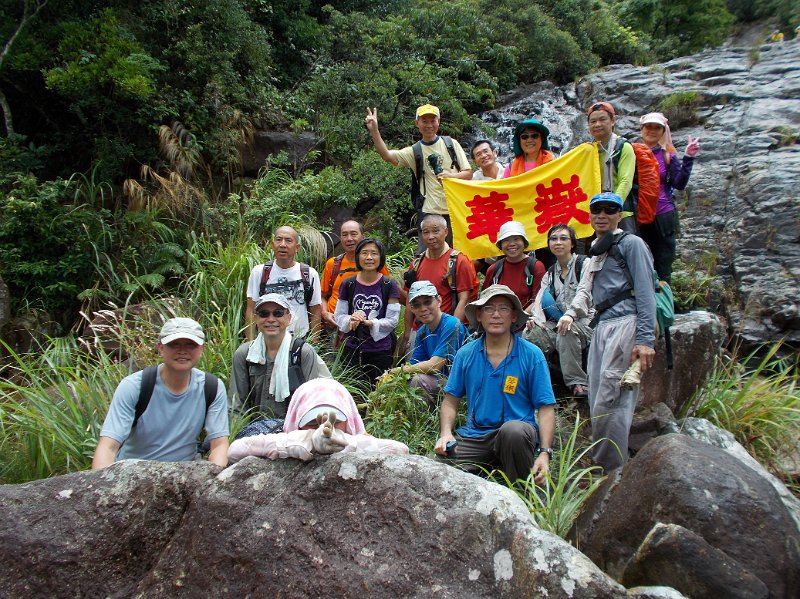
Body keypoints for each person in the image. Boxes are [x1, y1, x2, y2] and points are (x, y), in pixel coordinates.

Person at [558, 192, 656, 472]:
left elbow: (646, 292)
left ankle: (610, 470)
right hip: (601, 327)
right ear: (589, 215)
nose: (602, 215)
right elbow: (584, 293)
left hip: (625, 324)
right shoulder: (597, 250)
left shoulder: (632, 244)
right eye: (596, 210)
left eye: (610, 210)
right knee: (598, 397)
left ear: (619, 214)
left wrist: (645, 339)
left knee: (613, 399)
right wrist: (570, 313)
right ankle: (603, 462)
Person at [435, 284, 556, 483]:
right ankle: (492, 466)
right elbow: (450, 400)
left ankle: (520, 490)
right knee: (439, 469)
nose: (496, 315)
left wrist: (545, 453)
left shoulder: (531, 354)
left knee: (513, 431)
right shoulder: (466, 354)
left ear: (514, 316)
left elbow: (545, 407)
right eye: (489, 309)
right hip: (475, 436)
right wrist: (446, 433)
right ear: (480, 316)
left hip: (516, 434)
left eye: (504, 308)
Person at [92, 317, 229, 468]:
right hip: (133, 474)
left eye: (191, 344)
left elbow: (219, 445)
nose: (182, 350)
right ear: (161, 347)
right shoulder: (134, 386)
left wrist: (215, 481)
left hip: (186, 475)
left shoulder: (212, 387)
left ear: (201, 349)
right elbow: (108, 446)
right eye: (174, 344)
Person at [365, 104, 472, 248]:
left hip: (455, 210)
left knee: (455, 257)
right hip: (429, 211)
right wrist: (374, 131)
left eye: (433, 120)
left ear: (438, 122)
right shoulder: (414, 151)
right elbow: (387, 156)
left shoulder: (451, 144)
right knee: (425, 257)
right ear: (417, 123)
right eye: (424, 121)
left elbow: (468, 173)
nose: (429, 125)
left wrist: (452, 177)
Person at [227, 378, 409, 463]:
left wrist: (350, 443)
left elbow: (400, 450)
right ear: (295, 419)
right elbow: (235, 450)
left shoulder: (355, 439)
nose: (323, 429)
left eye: (335, 422)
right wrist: (304, 441)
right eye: (313, 423)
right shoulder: (277, 433)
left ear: (350, 420)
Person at [230, 293, 331, 425]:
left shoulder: (302, 353)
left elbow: (311, 403)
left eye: (278, 313)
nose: (271, 319)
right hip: (254, 433)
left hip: (295, 432)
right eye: (264, 314)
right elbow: (236, 405)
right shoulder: (244, 355)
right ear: (255, 318)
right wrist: (238, 437)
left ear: (288, 317)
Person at [525, 224, 592, 397]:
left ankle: (577, 383)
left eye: (563, 238)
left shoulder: (584, 264)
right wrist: (535, 320)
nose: (558, 242)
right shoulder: (550, 273)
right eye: (553, 239)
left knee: (566, 331)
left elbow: (584, 292)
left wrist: (571, 314)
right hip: (560, 322)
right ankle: (541, 381)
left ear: (572, 243)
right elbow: (540, 300)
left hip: (586, 324)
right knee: (530, 334)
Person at [638, 112, 700, 282]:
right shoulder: (632, 153)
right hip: (638, 215)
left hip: (662, 215)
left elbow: (679, 184)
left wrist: (688, 158)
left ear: (663, 131)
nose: (652, 130)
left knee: (663, 264)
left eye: (657, 127)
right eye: (648, 126)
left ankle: (664, 306)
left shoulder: (667, 156)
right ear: (642, 129)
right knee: (638, 264)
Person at [401, 215, 478, 352]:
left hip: (446, 329)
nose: (431, 236)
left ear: (446, 232)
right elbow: (409, 300)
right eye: (426, 232)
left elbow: (464, 299)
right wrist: (408, 332)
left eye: (436, 231)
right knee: (415, 370)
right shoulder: (416, 264)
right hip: (419, 330)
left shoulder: (459, 261)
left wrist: (451, 330)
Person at [385, 280, 468, 407]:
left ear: (439, 301)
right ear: (412, 309)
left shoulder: (452, 324)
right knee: (401, 382)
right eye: (417, 305)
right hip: (442, 381)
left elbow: (434, 365)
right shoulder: (422, 332)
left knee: (418, 381)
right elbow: (414, 365)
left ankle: (424, 422)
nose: (423, 309)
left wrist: (397, 371)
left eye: (427, 302)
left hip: (464, 384)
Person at [334, 238, 401, 384]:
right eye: (364, 253)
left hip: (381, 349)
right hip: (352, 348)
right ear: (358, 256)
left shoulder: (389, 284)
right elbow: (339, 316)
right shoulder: (348, 283)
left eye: (374, 253)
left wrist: (372, 323)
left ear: (381, 257)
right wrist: (351, 318)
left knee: (378, 391)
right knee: (352, 389)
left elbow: (393, 320)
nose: (369, 257)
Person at [320, 220, 391, 346]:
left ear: (362, 237)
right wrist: (325, 313)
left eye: (353, 234)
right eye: (344, 235)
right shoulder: (333, 264)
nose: (349, 239)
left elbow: (388, 293)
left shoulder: (375, 263)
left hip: (366, 327)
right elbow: (322, 295)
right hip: (334, 325)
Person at [245, 225, 322, 340]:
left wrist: (314, 344)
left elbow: (315, 310)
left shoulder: (309, 274)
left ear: (297, 247)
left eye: (288, 240)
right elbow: (251, 309)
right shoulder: (259, 272)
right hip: (268, 339)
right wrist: (250, 343)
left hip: (299, 340)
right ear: (273, 245)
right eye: (279, 239)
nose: (282, 245)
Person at [586, 102, 636, 233]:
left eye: (602, 119)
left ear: (613, 121)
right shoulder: (587, 150)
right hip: (595, 213)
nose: (597, 124)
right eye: (593, 121)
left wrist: (612, 207)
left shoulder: (623, 147)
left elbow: (625, 182)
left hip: (620, 212)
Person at [483, 221, 545, 312]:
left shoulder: (536, 267)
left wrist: (520, 319)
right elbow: (485, 299)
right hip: (498, 320)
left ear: (524, 243)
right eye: (506, 240)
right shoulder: (494, 269)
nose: (512, 244)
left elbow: (538, 300)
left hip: (528, 321)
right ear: (501, 245)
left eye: (516, 239)